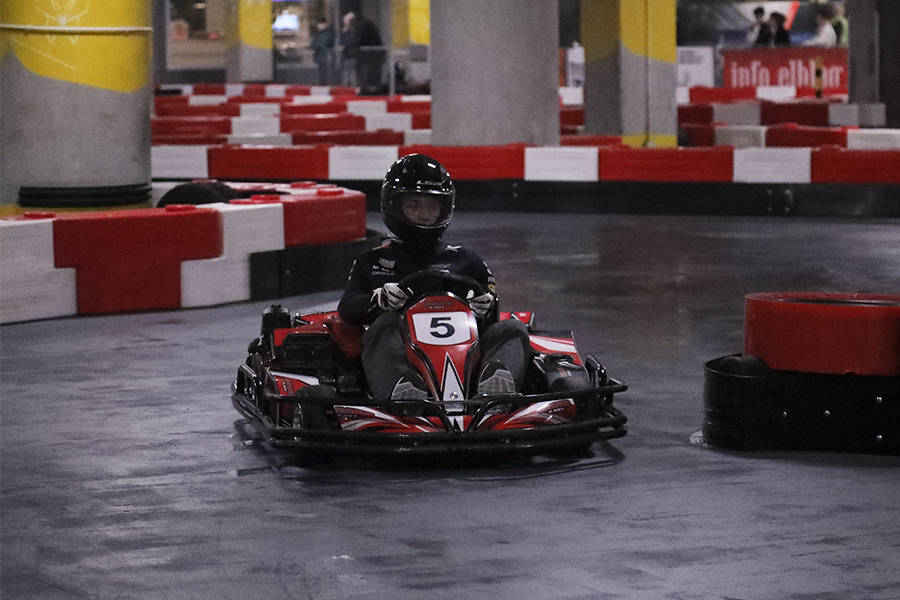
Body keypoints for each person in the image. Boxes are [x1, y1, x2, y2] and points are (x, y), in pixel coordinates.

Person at [338, 154, 531, 401]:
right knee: (385, 324)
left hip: (465, 355)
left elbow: (491, 316)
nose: (423, 214)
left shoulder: (467, 260)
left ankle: (494, 390)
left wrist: (486, 305)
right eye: (413, 205)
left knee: (513, 327)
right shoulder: (372, 261)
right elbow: (347, 309)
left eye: (432, 206)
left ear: (445, 208)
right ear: (393, 205)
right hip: (403, 353)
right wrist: (377, 300)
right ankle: (403, 392)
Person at [310, 17, 335, 86]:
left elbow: (324, 44)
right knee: (320, 74)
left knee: (326, 74)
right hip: (319, 56)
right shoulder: (318, 34)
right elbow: (313, 44)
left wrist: (316, 45)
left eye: (321, 24)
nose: (319, 26)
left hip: (326, 56)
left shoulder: (329, 33)